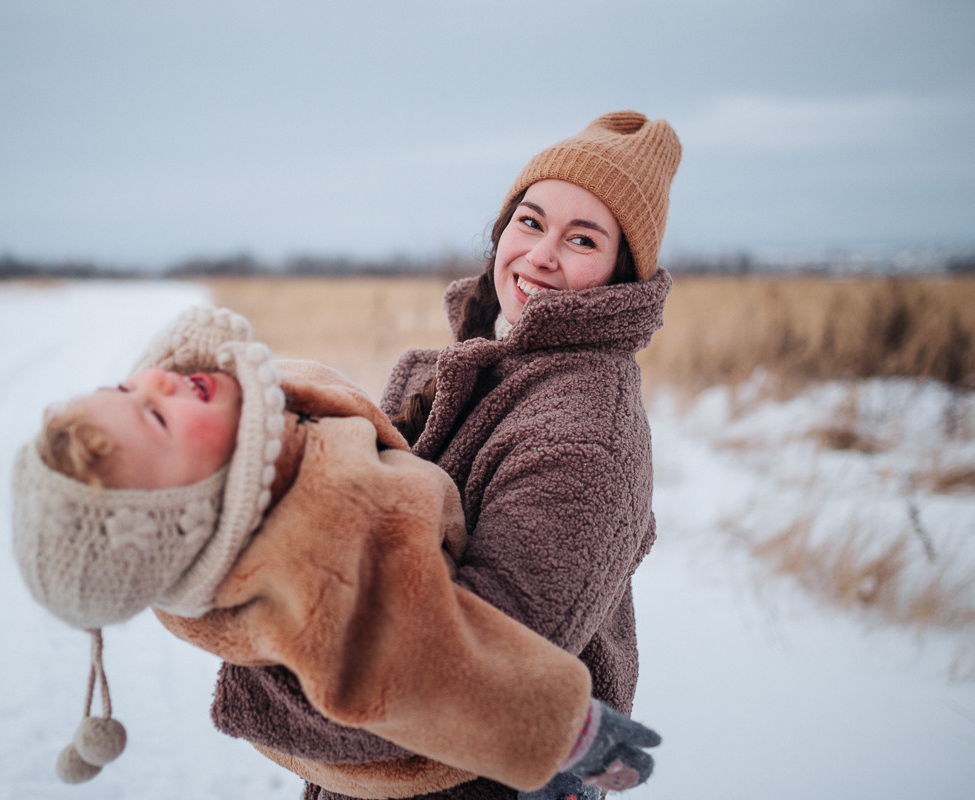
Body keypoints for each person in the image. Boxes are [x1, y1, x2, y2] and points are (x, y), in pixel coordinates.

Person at [160, 109, 681, 800]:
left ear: (621, 273)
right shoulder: (462, 373)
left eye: (581, 238)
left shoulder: (585, 430)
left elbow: (470, 670)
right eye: (530, 221)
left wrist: (269, 653)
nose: (541, 254)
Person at [11, 305, 661, 793]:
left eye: (128, 389)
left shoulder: (245, 452)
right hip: (437, 754)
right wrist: (560, 735)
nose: (158, 381)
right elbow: (422, 666)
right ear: (180, 511)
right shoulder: (307, 554)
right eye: (154, 417)